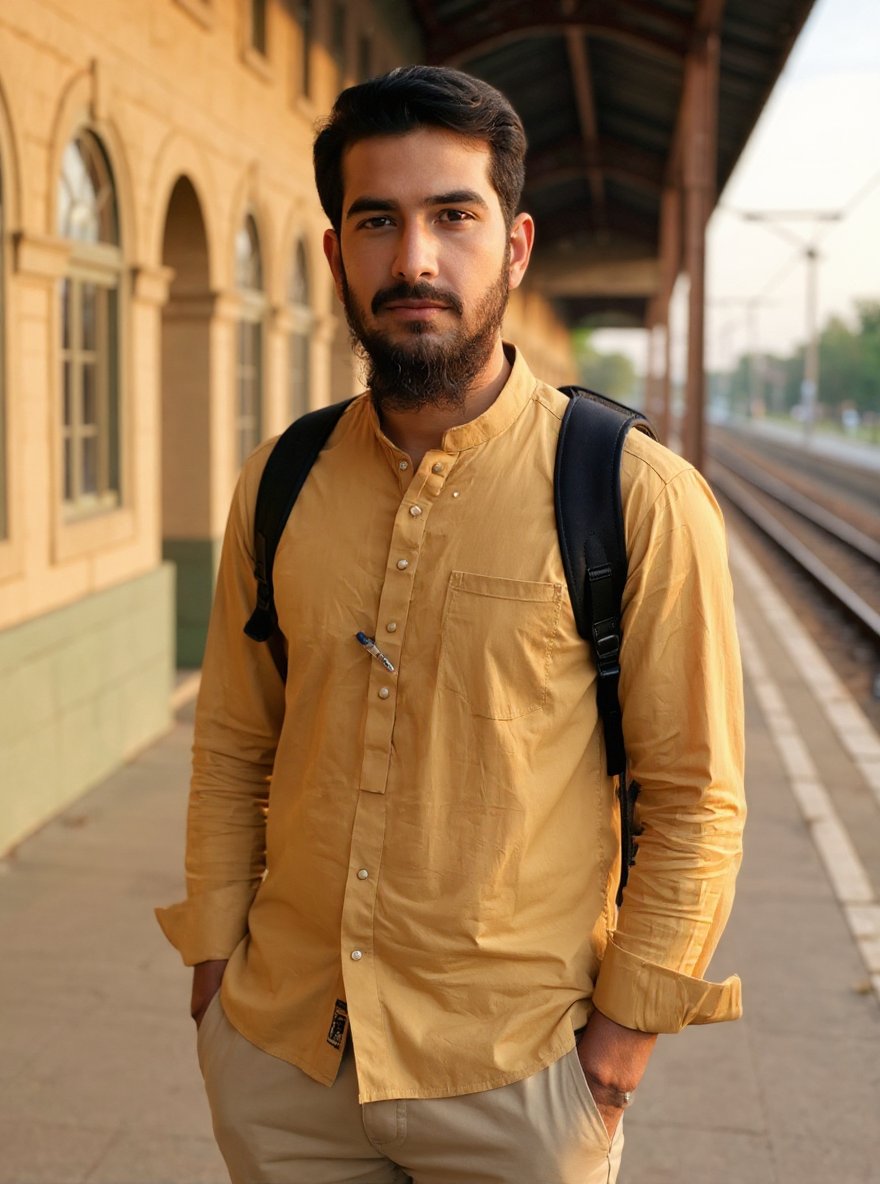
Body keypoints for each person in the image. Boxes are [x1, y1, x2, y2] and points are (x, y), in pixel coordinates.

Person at [157, 64, 746, 1184]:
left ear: (515, 248)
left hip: (516, 1075)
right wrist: (213, 975)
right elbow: (234, 744)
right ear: (336, 253)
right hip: (286, 1062)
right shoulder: (278, 481)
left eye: (452, 217)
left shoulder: (633, 493)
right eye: (376, 220)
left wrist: (613, 1056)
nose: (413, 258)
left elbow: (693, 798)